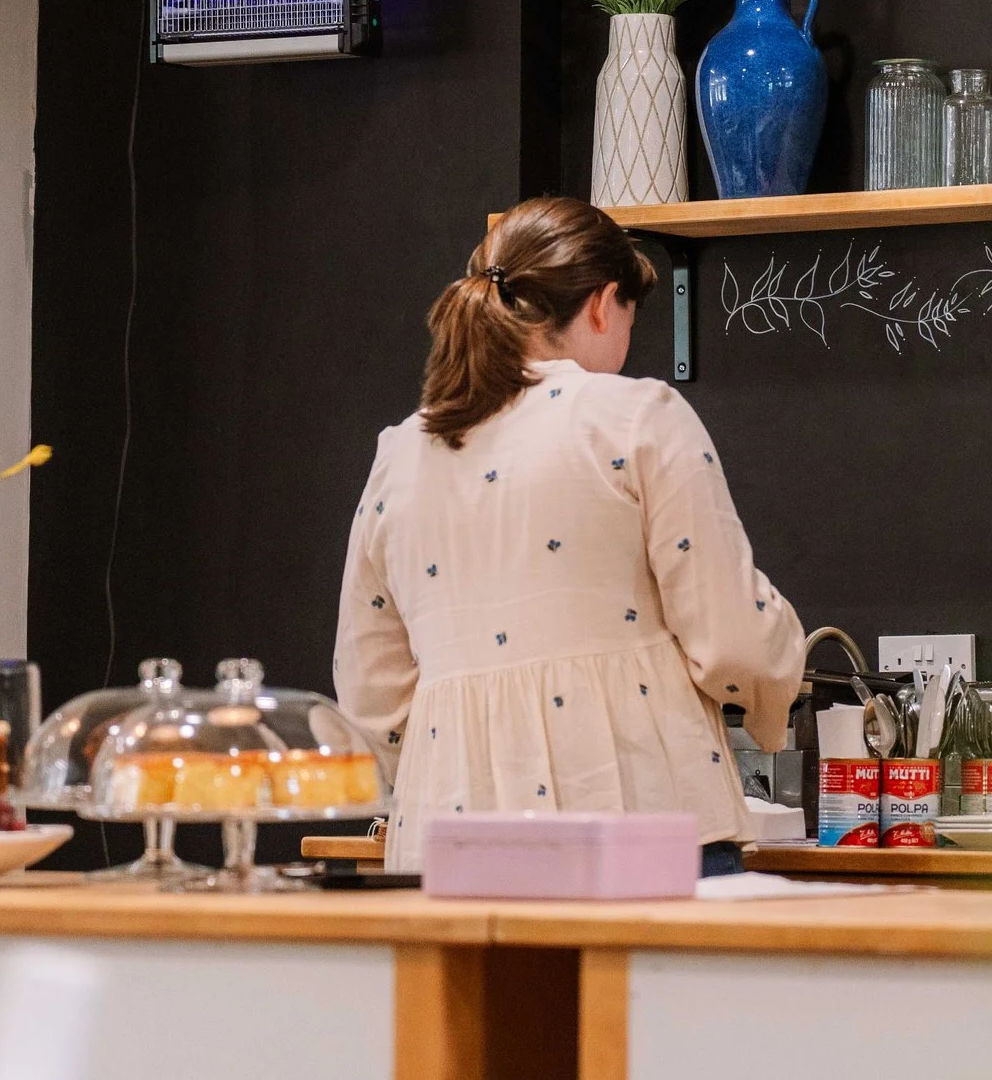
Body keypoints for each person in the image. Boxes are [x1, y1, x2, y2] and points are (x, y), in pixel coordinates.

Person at [334, 196, 804, 873]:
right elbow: (734, 641)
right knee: (652, 986)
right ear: (601, 304)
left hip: (449, 839)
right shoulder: (636, 416)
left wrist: (452, 756)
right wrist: (778, 676)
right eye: (629, 319)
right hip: (636, 821)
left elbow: (368, 687)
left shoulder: (399, 454)